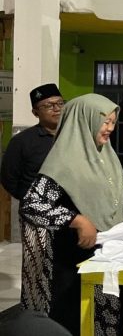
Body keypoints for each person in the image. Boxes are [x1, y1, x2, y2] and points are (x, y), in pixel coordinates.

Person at [20, 94, 123, 336]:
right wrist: (76, 220)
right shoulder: (62, 164)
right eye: (104, 122)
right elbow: (32, 205)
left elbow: (122, 194)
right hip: (72, 263)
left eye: (113, 122)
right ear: (83, 122)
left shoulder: (106, 157)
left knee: (109, 318)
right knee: (76, 320)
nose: (110, 128)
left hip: (108, 255)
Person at [0, 83, 64, 312]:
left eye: (59, 103)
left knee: (63, 270)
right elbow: (9, 178)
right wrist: (32, 201)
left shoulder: (73, 138)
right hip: (36, 218)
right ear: (35, 112)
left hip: (70, 216)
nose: (56, 109)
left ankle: (61, 314)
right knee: (36, 271)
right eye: (48, 105)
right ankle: (35, 317)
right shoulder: (23, 141)